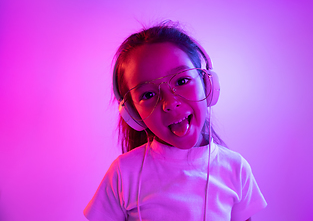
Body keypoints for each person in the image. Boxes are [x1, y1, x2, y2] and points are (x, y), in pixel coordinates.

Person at [84, 21, 267, 221]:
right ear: (132, 113)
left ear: (207, 83)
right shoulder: (123, 174)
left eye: (181, 81)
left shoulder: (235, 169)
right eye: (148, 94)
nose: (169, 103)